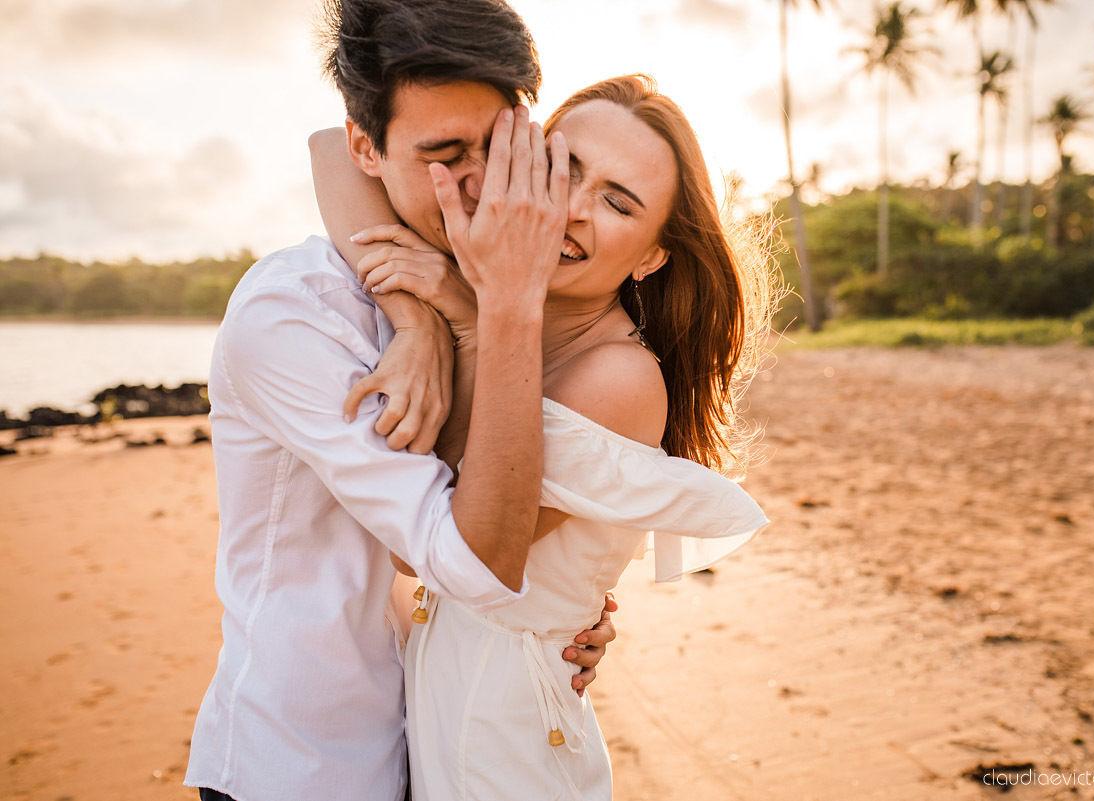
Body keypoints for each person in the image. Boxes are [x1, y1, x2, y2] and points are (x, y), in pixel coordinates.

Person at [183, 2, 616, 800]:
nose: (483, 185)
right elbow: (469, 559)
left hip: (442, 745)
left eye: (498, 145)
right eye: (445, 154)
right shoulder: (291, 317)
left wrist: (567, 611)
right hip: (305, 762)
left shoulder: (481, 285)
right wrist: (475, 309)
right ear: (366, 147)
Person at [311, 73, 775, 800]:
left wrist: (468, 314)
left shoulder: (619, 380)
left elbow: (423, 543)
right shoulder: (498, 314)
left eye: (619, 202)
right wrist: (418, 317)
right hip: (431, 722)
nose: (573, 211)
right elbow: (333, 152)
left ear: (653, 255)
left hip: (509, 749)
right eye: (562, 170)